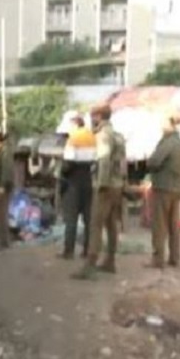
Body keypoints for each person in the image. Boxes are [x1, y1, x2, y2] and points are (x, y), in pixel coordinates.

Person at [72, 104, 126, 279]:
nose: (90, 119)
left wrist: (101, 184)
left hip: (105, 185)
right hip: (117, 185)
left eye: (92, 116)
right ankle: (110, 261)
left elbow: (103, 160)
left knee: (95, 225)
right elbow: (123, 164)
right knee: (111, 224)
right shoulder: (118, 135)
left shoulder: (103, 135)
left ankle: (90, 265)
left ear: (98, 116)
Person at [145, 111, 180, 269]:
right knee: (174, 226)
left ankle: (158, 259)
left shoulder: (167, 143)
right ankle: (175, 258)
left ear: (169, 124)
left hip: (163, 187)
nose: (161, 126)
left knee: (159, 225)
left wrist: (149, 162)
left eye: (163, 122)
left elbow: (154, 162)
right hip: (177, 188)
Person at [59, 115, 95, 259]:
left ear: (74, 125)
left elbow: (68, 164)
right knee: (88, 219)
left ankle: (69, 251)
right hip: (88, 180)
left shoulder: (73, 139)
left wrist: (61, 173)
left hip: (73, 181)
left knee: (71, 219)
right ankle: (87, 250)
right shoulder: (92, 137)